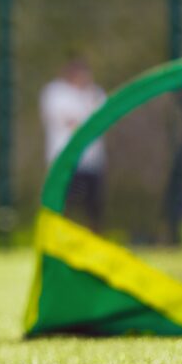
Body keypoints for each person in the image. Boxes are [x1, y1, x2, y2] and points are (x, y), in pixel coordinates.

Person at [40, 55, 107, 232]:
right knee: (63, 203)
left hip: (91, 161)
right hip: (63, 159)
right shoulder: (56, 93)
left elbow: (101, 120)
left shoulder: (95, 93)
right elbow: (73, 122)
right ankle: (59, 237)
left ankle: (94, 238)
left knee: (93, 206)